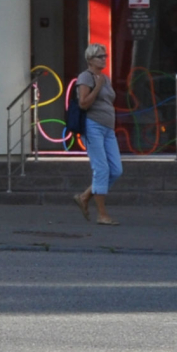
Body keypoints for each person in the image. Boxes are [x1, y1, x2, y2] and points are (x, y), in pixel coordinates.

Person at [69, 44, 120, 226]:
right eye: (100, 56)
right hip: (93, 127)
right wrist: (97, 86)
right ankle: (102, 214)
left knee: (116, 169)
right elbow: (83, 103)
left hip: (108, 128)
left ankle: (84, 196)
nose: (104, 59)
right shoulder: (86, 77)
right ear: (90, 59)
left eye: (105, 56)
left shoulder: (105, 78)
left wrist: (102, 84)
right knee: (101, 168)